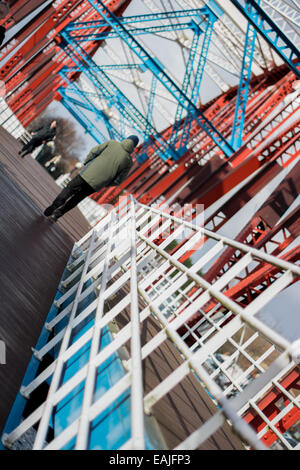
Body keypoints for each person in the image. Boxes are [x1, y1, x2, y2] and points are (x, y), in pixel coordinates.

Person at [43, 135, 139, 222]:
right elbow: (119, 180)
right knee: (76, 199)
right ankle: (56, 215)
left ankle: (53, 206)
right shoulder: (128, 162)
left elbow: (94, 151)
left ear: (127, 139)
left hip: (86, 174)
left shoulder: (112, 143)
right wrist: (105, 183)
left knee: (69, 189)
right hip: (96, 184)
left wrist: (87, 162)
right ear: (134, 147)